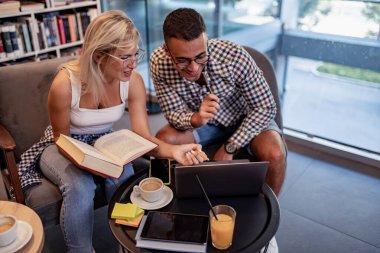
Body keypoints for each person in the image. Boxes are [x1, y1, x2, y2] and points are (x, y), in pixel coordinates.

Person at [18, 10, 204, 253]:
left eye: (136, 53)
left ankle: (125, 246)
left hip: (105, 143)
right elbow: (60, 139)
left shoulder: (133, 81)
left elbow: (142, 136)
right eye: (125, 57)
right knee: (80, 186)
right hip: (62, 145)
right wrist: (87, 164)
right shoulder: (65, 84)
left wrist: (175, 151)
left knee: (123, 177)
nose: (134, 63)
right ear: (98, 56)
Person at [150, 8, 286, 196]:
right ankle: (182, 199)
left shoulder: (233, 56)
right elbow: (173, 113)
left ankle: (267, 210)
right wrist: (196, 119)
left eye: (200, 56)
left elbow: (265, 107)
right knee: (164, 139)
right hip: (205, 125)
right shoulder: (159, 63)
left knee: (275, 153)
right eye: (182, 60)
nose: (194, 68)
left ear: (207, 40)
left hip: (246, 119)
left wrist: (230, 146)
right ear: (167, 50)